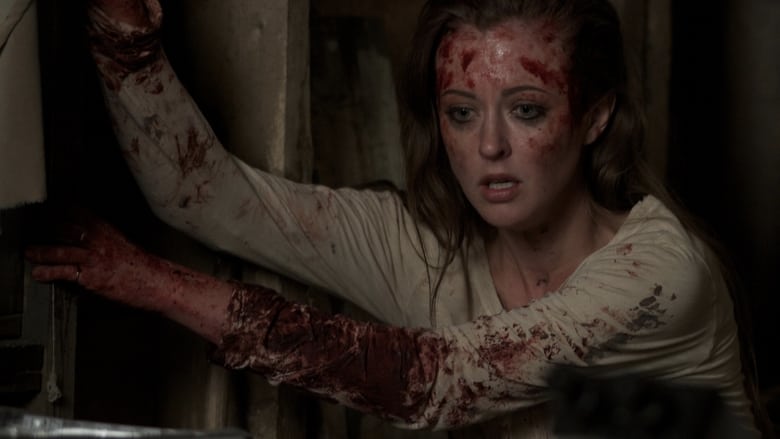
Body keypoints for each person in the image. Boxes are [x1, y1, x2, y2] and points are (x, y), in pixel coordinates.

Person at [26, 0, 767, 437]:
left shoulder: (660, 272)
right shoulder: (427, 249)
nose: (490, 147)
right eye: (461, 113)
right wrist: (121, 26)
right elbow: (204, 194)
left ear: (596, 116)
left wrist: (154, 282)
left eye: (527, 110)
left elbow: (428, 381)